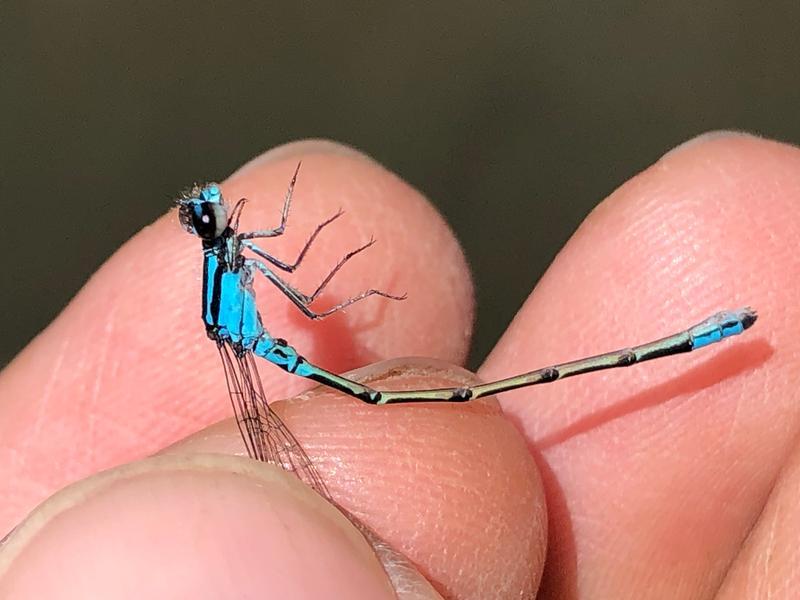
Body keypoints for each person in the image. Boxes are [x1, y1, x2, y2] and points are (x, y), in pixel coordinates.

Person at [0, 133, 794, 598]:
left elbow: (303, 303)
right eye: (213, 220)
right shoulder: (228, 275)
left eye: (208, 218)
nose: (215, 219)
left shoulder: (228, 260)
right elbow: (298, 305)